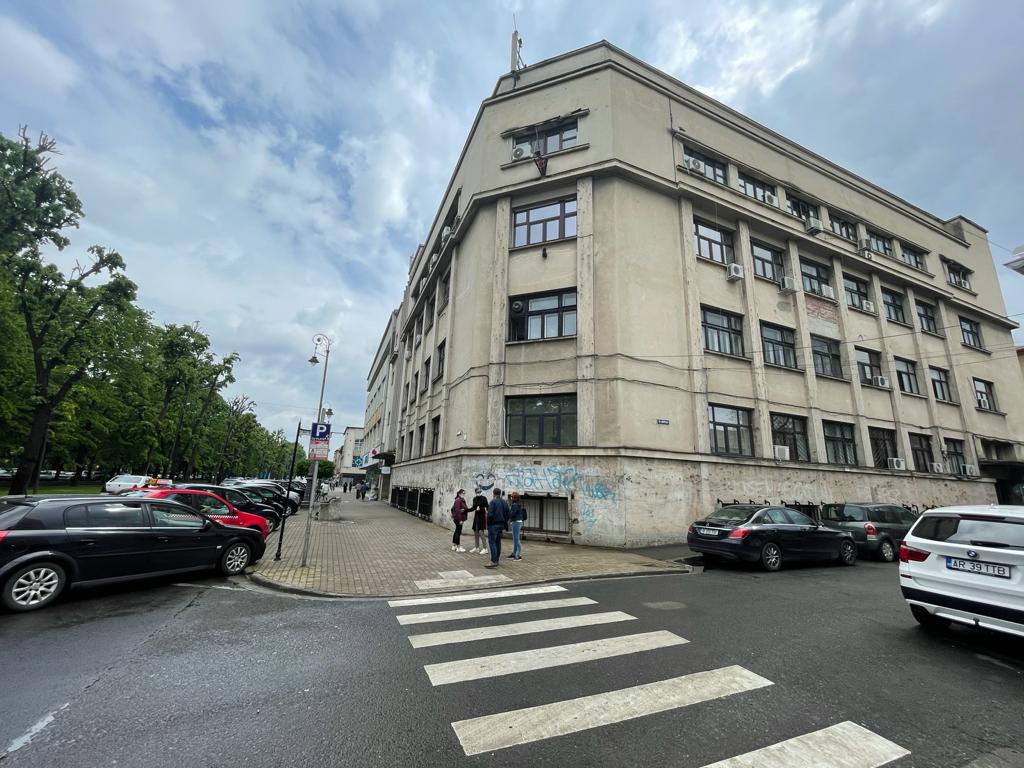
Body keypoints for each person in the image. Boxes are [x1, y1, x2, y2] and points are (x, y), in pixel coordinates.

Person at [484, 487, 510, 568]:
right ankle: (497, 560)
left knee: (492, 542)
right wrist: (504, 521)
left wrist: (488, 524)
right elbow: (508, 514)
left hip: (493, 525)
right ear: (500, 493)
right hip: (501, 525)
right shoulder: (504, 502)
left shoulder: (493, 502)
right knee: (498, 542)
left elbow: (490, 515)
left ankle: (493, 561)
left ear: (493, 494)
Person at [508, 491, 527, 560]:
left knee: (516, 539)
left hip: (516, 522)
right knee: (515, 539)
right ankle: (514, 553)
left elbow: (512, 514)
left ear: (514, 498)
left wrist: (508, 513)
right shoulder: (517, 504)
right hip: (516, 522)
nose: (511, 498)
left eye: (512, 497)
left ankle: (518, 555)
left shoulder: (515, 505)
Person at [470, 488, 489, 554]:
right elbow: (473, 508)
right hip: (476, 517)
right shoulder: (474, 499)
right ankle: (477, 547)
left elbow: (487, 507)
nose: (479, 493)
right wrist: (466, 510)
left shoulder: (484, 498)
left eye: (480, 491)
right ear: (475, 492)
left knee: (481, 532)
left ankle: (485, 548)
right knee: (475, 532)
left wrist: (481, 509)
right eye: (478, 492)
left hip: (482, 517)